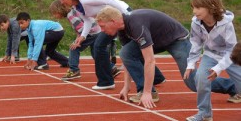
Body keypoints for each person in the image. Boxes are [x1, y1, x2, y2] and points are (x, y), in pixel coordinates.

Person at [95, 6, 237, 109]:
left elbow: (150, 60)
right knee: (126, 52)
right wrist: (126, 87)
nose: (101, 30)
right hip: (158, 39)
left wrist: (147, 92)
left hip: (177, 40)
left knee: (193, 83)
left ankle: (235, 87)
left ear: (113, 21)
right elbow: (128, 59)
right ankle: (145, 90)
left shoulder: (136, 25)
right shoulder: (122, 29)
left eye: (102, 26)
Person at [55, 0, 166, 90]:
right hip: (112, 22)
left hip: (122, 17)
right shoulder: (76, 7)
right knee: (131, 50)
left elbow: (110, 0)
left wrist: (128, 17)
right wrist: (82, 37)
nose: (61, 2)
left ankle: (106, 82)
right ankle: (157, 78)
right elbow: (87, 21)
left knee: (100, 46)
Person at [183, 0, 241, 121]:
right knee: (201, 78)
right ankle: (204, 114)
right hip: (211, 55)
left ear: (211, 6)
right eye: (193, 8)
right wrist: (190, 64)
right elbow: (196, 44)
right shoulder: (196, 23)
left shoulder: (226, 23)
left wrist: (218, 68)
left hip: (231, 55)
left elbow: (231, 48)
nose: (194, 11)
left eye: (197, 8)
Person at [49, 0, 121, 81]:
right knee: (96, 54)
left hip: (91, 33)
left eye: (54, 13)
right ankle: (111, 68)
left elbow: (81, 28)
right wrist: (78, 38)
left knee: (74, 48)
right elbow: (79, 29)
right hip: (97, 31)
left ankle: (74, 70)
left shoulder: (70, 16)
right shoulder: (73, 11)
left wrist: (78, 41)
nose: (54, 16)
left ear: (60, 10)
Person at [102, 0, 118, 64]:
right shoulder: (116, 2)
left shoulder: (104, 3)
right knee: (113, 41)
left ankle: (107, 58)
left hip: (108, 23)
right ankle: (114, 54)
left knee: (107, 42)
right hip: (115, 23)